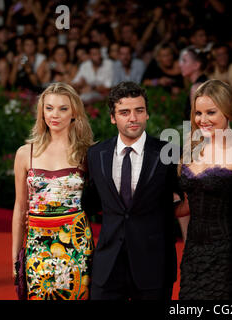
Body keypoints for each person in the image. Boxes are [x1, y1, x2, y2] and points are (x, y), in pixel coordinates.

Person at [83, 81, 179, 300]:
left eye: (139, 111)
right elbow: (92, 202)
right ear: (113, 117)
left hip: (153, 265)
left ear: (147, 114)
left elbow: (184, 199)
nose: (133, 118)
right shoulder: (96, 154)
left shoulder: (168, 153)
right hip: (107, 266)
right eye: (124, 112)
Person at [11, 82, 94, 300]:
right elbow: (20, 208)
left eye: (62, 108)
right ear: (41, 112)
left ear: (74, 112)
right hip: (36, 244)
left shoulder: (87, 154)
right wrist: (15, 257)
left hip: (76, 244)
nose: (54, 114)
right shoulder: (24, 153)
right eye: (49, 108)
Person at [177, 79, 232, 300]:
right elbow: (187, 205)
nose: (203, 120)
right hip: (193, 253)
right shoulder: (191, 146)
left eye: (211, 112)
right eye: (198, 113)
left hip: (228, 253)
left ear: (227, 111)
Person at [179, 46, 209, 120]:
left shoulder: (196, 88)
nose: (180, 65)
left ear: (196, 65)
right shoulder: (205, 82)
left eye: (184, 61)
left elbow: (199, 120)